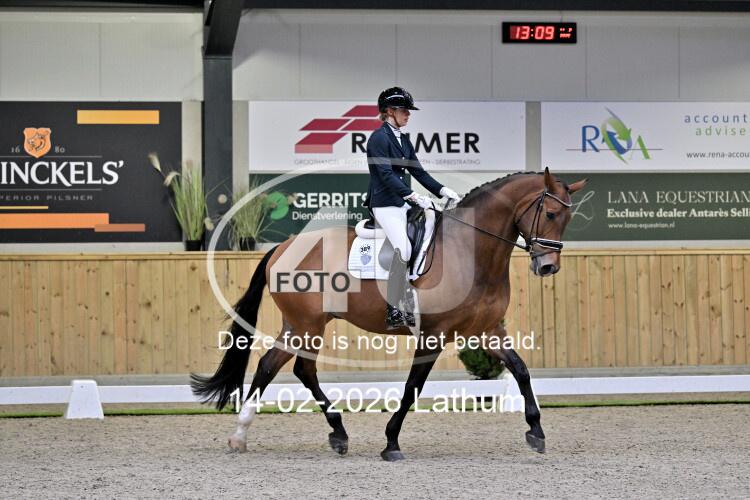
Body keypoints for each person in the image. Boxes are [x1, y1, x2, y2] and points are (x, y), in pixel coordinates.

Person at [364, 86, 461, 329]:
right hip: (384, 204)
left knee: (431, 230)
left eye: (408, 111)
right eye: (404, 110)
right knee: (404, 249)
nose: (408, 114)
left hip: (401, 204)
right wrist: (413, 196)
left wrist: (442, 190)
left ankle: (412, 292)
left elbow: (419, 172)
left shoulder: (403, 140)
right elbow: (385, 174)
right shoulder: (378, 138)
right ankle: (393, 308)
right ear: (389, 111)